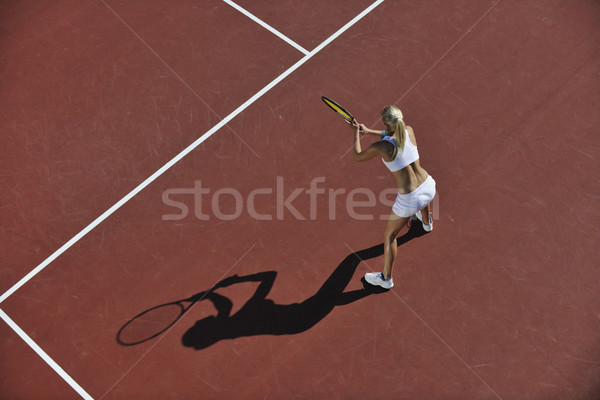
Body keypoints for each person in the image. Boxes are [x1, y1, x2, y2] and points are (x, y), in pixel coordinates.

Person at [351, 105, 436, 289]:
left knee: (389, 235)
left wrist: (356, 134)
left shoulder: (382, 147)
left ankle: (385, 279)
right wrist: (368, 131)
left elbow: (357, 156)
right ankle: (427, 223)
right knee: (423, 197)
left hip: (410, 200)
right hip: (429, 187)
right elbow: (392, 134)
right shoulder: (408, 130)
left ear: (385, 123)